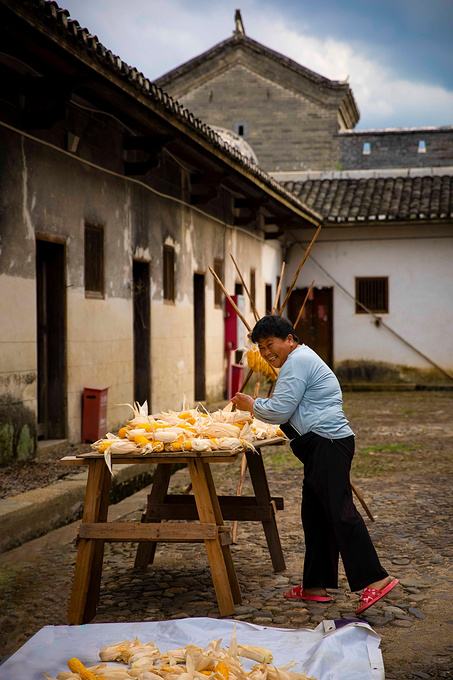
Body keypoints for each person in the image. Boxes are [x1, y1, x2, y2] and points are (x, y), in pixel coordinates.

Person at [232, 315, 398, 615]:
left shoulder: (297, 361)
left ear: (290, 340)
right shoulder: (298, 360)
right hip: (321, 445)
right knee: (315, 514)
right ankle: (314, 586)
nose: (267, 352)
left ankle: (377, 577)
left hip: (328, 443)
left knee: (339, 512)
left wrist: (252, 405)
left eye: (271, 344)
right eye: (261, 347)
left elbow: (281, 410)